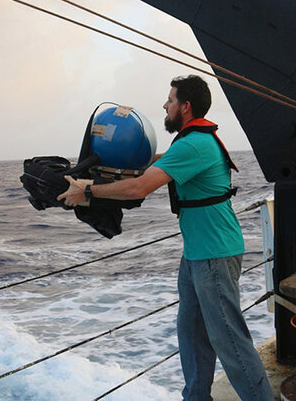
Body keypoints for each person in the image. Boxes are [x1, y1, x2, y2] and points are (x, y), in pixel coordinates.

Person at [57, 75, 273, 401]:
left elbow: (140, 186)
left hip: (214, 254)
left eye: (170, 100)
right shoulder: (189, 142)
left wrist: (87, 190)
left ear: (185, 107)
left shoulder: (194, 144)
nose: (165, 105)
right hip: (198, 253)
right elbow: (145, 169)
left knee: (229, 340)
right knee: (191, 332)